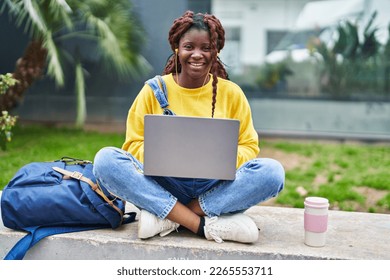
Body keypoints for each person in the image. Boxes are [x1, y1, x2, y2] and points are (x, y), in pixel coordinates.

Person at [93, 11, 285, 244]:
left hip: (215, 187)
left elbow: (248, 146)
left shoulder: (232, 93)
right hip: (164, 182)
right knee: (106, 160)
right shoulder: (153, 90)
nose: (197, 54)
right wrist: (165, 156)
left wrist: (217, 160)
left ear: (216, 52)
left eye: (206, 48)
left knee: (272, 173)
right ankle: (201, 223)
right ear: (177, 48)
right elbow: (133, 144)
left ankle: (171, 216)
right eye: (189, 47)